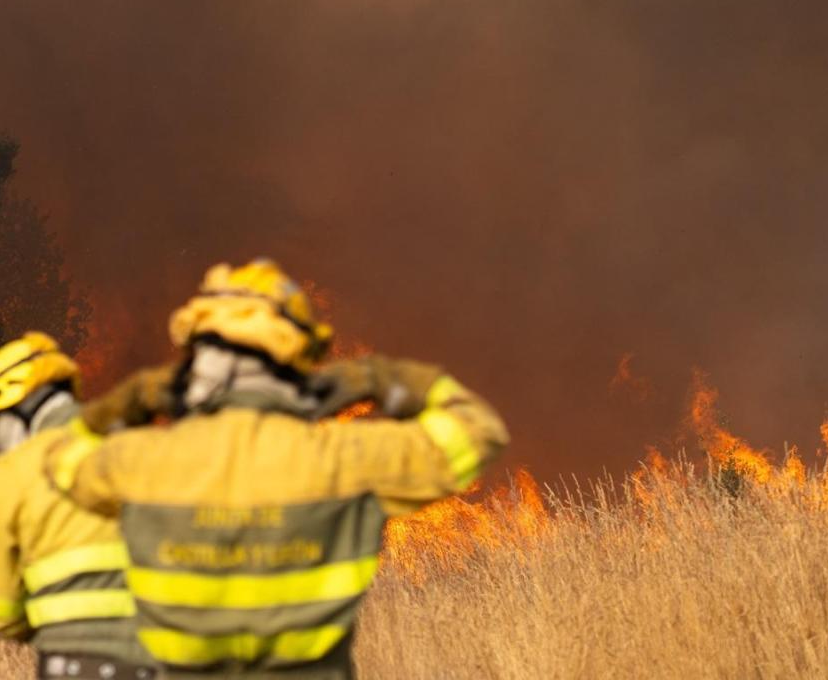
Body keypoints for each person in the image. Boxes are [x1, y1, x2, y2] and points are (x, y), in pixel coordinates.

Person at [45, 260, 510, 678]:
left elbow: (58, 460)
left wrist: (139, 396)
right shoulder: (346, 458)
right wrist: (379, 379)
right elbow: (479, 431)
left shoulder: (141, 463)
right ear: (298, 358)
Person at [0, 332, 157, 680]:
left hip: (75, 665)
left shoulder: (10, 472)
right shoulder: (136, 441)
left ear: (18, 405)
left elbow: (4, 613)